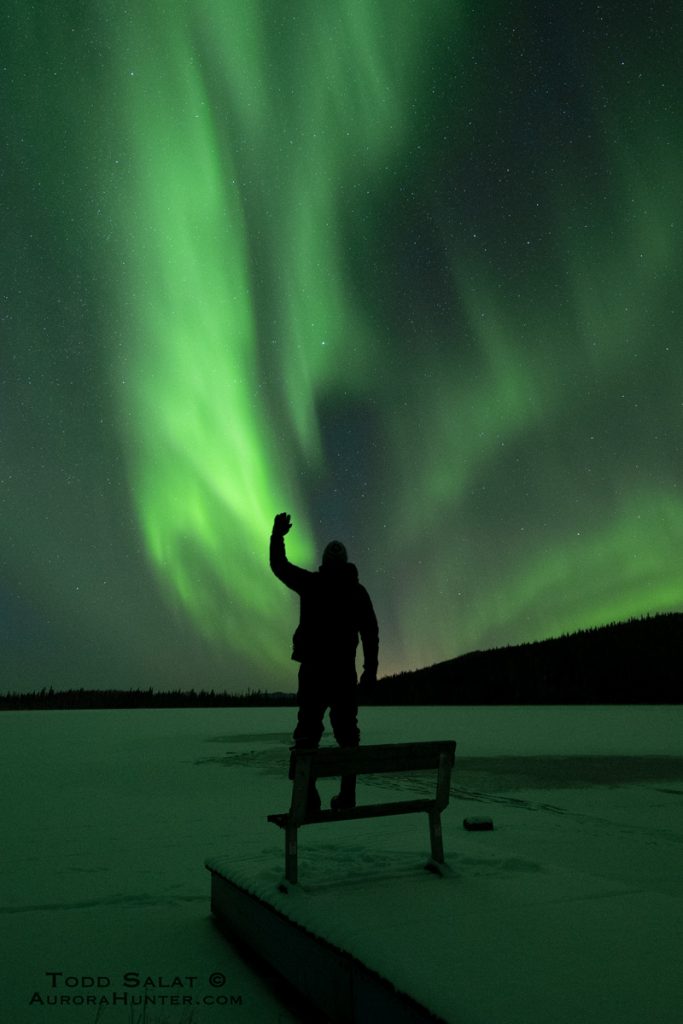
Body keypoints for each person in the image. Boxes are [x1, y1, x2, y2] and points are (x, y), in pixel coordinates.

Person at [270, 512, 378, 811]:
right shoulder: (357, 593)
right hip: (344, 674)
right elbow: (371, 633)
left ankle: (308, 794)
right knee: (347, 734)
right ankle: (347, 795)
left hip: (315, 672)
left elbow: (279, 566)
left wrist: (277, 536)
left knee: (307, 732)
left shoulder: (312, 584)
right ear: (345, 563)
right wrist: (370, 671)